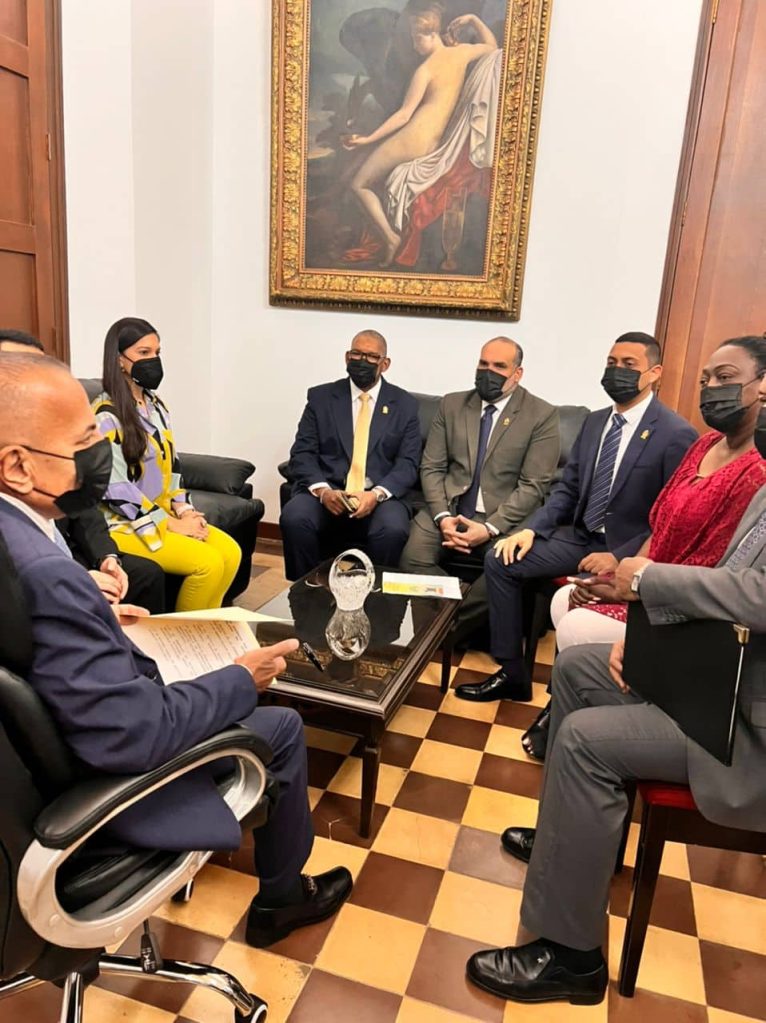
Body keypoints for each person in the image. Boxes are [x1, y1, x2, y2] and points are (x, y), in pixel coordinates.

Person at [0, 353, 352, 949]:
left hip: (47, 741)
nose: (101, 453)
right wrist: (241, 679)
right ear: (17, 465)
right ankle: (284, 898)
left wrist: (100, 618)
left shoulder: (21, 541)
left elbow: (33, 639)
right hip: (95, 783)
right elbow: (131, 734)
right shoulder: (45, 573)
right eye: (84, 441)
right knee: (283, 726)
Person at [467, 467, 766, 1006]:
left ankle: (572, 956)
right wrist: (649, 631)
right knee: (578, 667)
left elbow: (759, 596)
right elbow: (726, 582)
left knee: (585, 742)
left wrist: (648, 583)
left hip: (744, 728)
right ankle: (565, 845)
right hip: (714, 679)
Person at [465, 332, 697, 704]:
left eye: (629, 365)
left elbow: (671, 517)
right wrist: (530, 530)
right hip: (579, 537)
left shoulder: (676, 434)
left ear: (654, 373)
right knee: (500, 558)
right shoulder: (594, 421)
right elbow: (567, 489)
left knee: (578, 602)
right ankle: (512, 673)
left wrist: (620, 557)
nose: (617, 371)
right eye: (611, 363)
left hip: (626, 549)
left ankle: (562, 697)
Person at [552, 335, 766, 651]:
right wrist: (624, 580)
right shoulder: (704, 444)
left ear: (762, 386)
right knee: (565, 599)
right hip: (646, 580)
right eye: (705, 380)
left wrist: (643, 585)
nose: (711, 388)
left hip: (688, 606)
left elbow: (726, 572)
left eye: (725, 377)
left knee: (577, 625)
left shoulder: (758, 468)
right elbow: (660, 526)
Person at [399, 337, 560, 662]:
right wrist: (442, 517)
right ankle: (451, 626)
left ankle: (437, 634)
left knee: (505, 567)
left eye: (499, 366)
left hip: (505, 520)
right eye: (483, 364)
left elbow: (534, 486)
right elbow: (431, 467)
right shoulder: (452, 404)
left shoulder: (541, 414)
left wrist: (488, 528)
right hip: (449, 509)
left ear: (517, 373)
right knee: (412, 558)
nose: (489, 372)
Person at [0, 329, 166, 613]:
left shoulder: (57, 435)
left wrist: (106, 557)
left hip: (70, 548)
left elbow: (83, 508)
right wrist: (75, 580)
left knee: (146, 575)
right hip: (45, 574)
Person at [93, 317, 242, 612]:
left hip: (163, 515)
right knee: (208, 563)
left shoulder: (157, 406)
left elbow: (172, 468)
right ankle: (183, 637)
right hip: (124, 524)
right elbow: (116, 490)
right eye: (143, 353)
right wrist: (173, 524)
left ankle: (208, 633)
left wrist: (185, 509)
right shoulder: (105, 415)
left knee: (230, 552)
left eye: (157, 352)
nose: (153, 360)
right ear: (119, 359)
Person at [343, 5, 497, 264]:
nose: (414, 47)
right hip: (432, 142)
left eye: (416, 38)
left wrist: (367, 139)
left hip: (413, 138)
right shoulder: (461, 53)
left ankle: (391, 239)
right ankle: (389, 237)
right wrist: (473, 19)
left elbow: (403, 116)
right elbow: (492, 47)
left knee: (358, 184)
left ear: (432, 33)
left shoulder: (424, 71)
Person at [280, 329, 421, 581]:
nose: (362, 361)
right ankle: (304, 591)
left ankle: (377, 596)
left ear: (385, 364)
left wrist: (376, 495)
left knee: (392, 529)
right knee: (295, 517)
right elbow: (302, 453)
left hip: (379, 497)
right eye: (357, 354)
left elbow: (408, 463)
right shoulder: (321, 398)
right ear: (347, 357)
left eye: (371, 356)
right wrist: (323, 491)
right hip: (329, 492)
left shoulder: (405, 405)